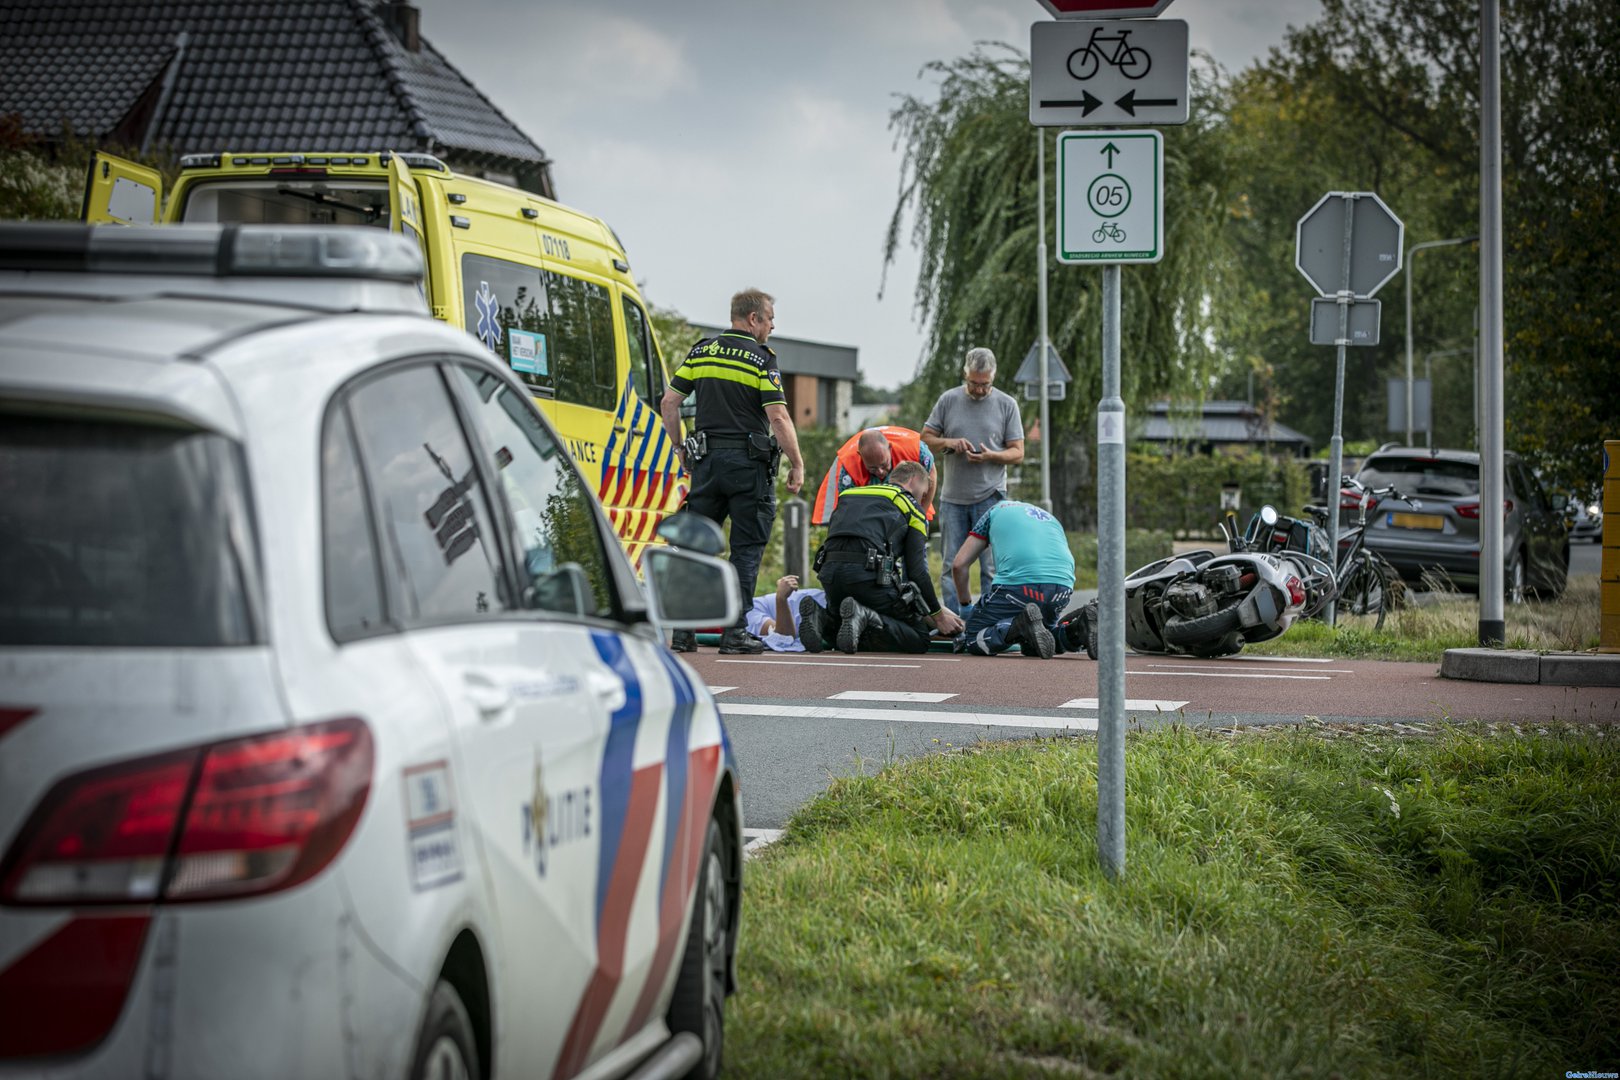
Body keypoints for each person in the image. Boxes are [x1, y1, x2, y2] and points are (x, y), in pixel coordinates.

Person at [660, 288, 805, 654]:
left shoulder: (702, 350)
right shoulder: (761, 359)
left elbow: (670, 401)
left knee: (695, 549)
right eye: (770, 318)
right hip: (748, 469)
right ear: (753, 318)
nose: (772, 325)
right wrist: (797, 463)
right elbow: (778, 415)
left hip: (706, 466)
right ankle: (734, 632)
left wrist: (679, 447)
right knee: (745, 550)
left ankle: (682, 632)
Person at [799, 460, 965, 655]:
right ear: (914, 480)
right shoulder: (911, 508)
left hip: (830, 576)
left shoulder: (850, 494)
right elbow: (917, 573)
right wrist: (938, 616)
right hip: (868, 578)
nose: (923, 499)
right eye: (924, 492)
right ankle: (865, 615)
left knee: (842, 623)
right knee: (919, 638)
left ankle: (823, 619)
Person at [922, 347, 1025, 616]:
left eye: (985, 385)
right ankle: (956, 622)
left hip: (990, 496)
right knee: (951, 565)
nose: (979, 390)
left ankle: (990, 621)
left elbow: (1018, 452)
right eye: (973, 384)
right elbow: (925, 439)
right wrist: (950, 442)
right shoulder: (948, 400)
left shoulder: (1006, 404)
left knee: (990, 567)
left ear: (994, 377)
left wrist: (992, 456)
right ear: (965, 374)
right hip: (953, 498)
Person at [952, 500, 1075, 658]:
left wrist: (965, 607)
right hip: (1062, 587)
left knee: (972, 638)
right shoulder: (1049, 517)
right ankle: (1078, 630)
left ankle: (1018, 625)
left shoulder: (993, 512)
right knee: (1041, 638)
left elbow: (959, 565)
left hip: (1018, 587)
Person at [810, 425, 937, 524]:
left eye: (883, 465)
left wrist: (920, 516)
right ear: (860, 457)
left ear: (890, 449)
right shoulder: (849, 468)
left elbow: (931, 473)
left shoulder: (915, 450)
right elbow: (848, 507)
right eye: (873, 468)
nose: (880, 472)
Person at [744, 575, 827, 652]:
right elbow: (785, 637)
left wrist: (781, 598)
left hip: (821, 601)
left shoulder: (745, 610)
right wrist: (781, 598)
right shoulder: (746, 615)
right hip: (821, 610)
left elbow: (784, 637)